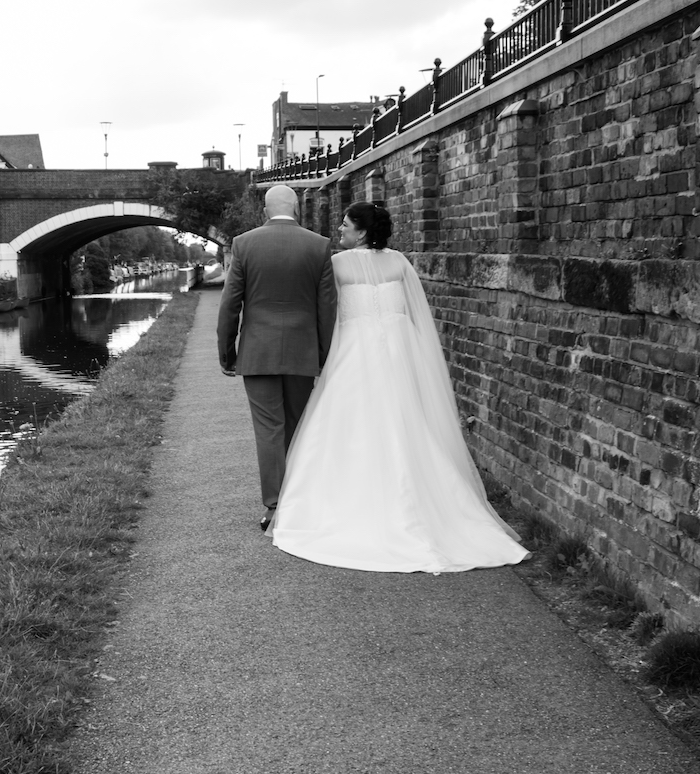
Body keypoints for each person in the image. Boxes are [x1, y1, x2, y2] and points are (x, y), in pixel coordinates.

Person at [270, 202, 528, 574]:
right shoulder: (400, 263)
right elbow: (413, 313)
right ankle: (428, 504)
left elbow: (326, 312)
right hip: (399, 351)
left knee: (349, 426)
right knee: (405, 422)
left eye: (345, 225)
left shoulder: (338, 264)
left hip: (354, 352)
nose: (339, 230)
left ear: (361, 231)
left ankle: (350, 507)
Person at [217, 184, 337, 531]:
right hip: (303, 352)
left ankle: (275, 507)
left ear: (266, 211)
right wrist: (325, 356)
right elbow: (326, 309)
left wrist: (228, 354)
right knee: (299, 425)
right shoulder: (319, 245)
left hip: (258, 352)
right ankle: (305, 502)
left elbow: (230, 305)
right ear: (297, 208)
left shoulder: (244, 244)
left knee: (269, 429)